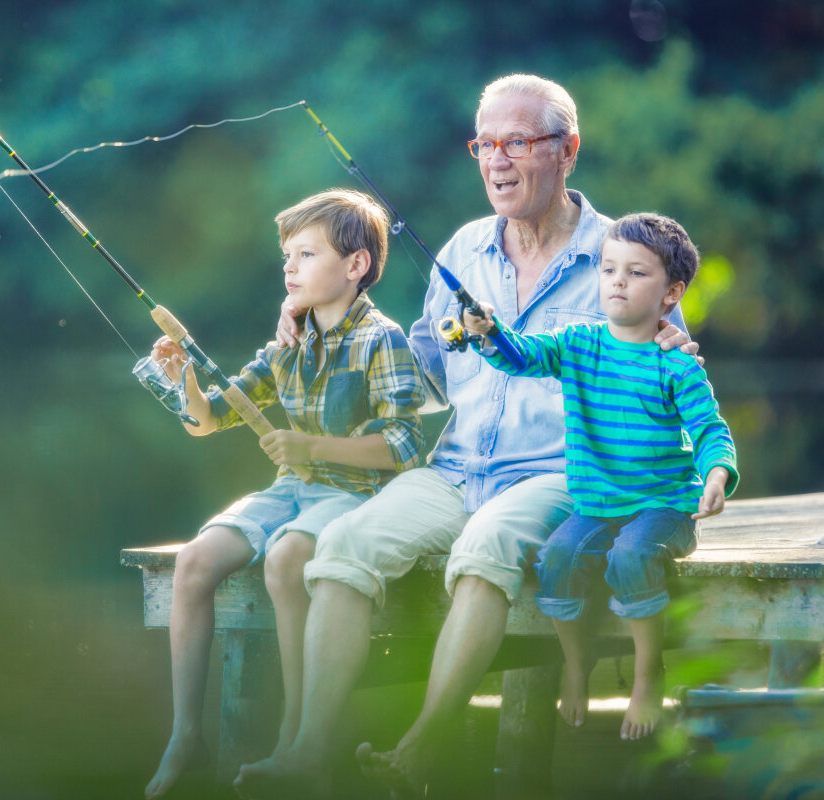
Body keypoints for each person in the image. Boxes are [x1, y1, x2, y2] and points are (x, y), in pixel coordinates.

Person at [235, 74, 699, 799]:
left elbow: (670, 365)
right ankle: (308, 750)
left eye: (518, 141)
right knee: (341, 547)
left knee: (485, 548)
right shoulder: (463, 249)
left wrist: (668, 353)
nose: (497, 159)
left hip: (557, 474)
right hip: (455, 467)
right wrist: (314, 327)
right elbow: (414, 371)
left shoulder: (621, 253)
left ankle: (422, 746)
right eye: (486, 143)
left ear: (567, 150)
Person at [143, 189, 423, 799]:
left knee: (287, 557)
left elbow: (405, 446)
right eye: (287, 255)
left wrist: (314, 447)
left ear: (355, 267)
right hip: (291, 490)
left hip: (356, 494)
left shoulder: (384, 340)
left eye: (306, 253)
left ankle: (298, 738)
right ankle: (186, 735)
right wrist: (183, 380)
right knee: (193, 562)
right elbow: (208, 420)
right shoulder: (286, 343)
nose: (289, 267)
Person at [462, 211, 738, 740]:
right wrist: (490, 331)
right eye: (609, 269)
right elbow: (521, 358)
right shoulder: (579, 345)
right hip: (595, 505)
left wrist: (718, 476)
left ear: (670, 293)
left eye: (636, 273)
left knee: (631, 556)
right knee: (557, 558)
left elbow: (709, 430)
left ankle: (645, 673)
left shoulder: (676, 364)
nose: (617, 281)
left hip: (662, 509)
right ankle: (575, 661)